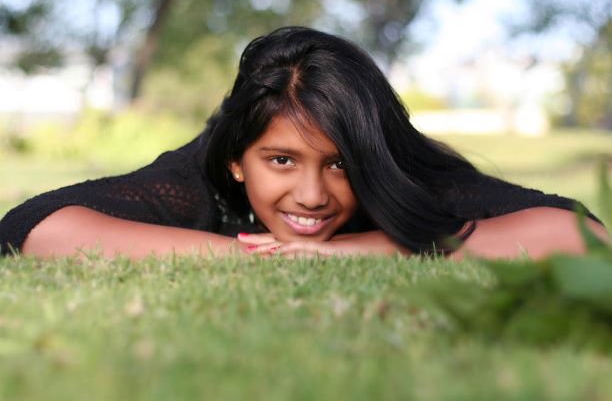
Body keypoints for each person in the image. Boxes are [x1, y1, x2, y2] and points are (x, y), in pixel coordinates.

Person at [0, 26, 607, 260]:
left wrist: (362, 249)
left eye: (340, 164)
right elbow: (36, 225)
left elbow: (584, 236)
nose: (312, 195)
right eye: (282, 160)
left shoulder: (397, 168)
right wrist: (254, 258)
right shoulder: (198, 173)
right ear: (237, 159)